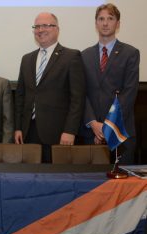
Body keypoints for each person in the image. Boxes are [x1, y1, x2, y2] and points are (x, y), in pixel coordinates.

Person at [14, 12, 86, 163]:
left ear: (57, 29)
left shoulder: (71, 56)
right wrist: (18, 127)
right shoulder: (27, 59)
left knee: (54, 180)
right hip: (28, 132)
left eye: (46, 25)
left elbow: (77, 99)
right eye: (37, 26)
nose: (40, 30)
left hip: (58, 134)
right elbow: (20, 96)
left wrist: (70, 130)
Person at [81, 3, 140, 164]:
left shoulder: (131, 53)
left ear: (118, 23)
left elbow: (129, 92)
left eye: (110, 18)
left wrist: (108, 126)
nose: (105, 23)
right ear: (96, 23)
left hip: (120, 132)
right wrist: (93, 123)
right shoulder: (84, 55)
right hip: (91, 134)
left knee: (122, 187)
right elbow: (81, 94)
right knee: (91, 186)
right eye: (101, 19)